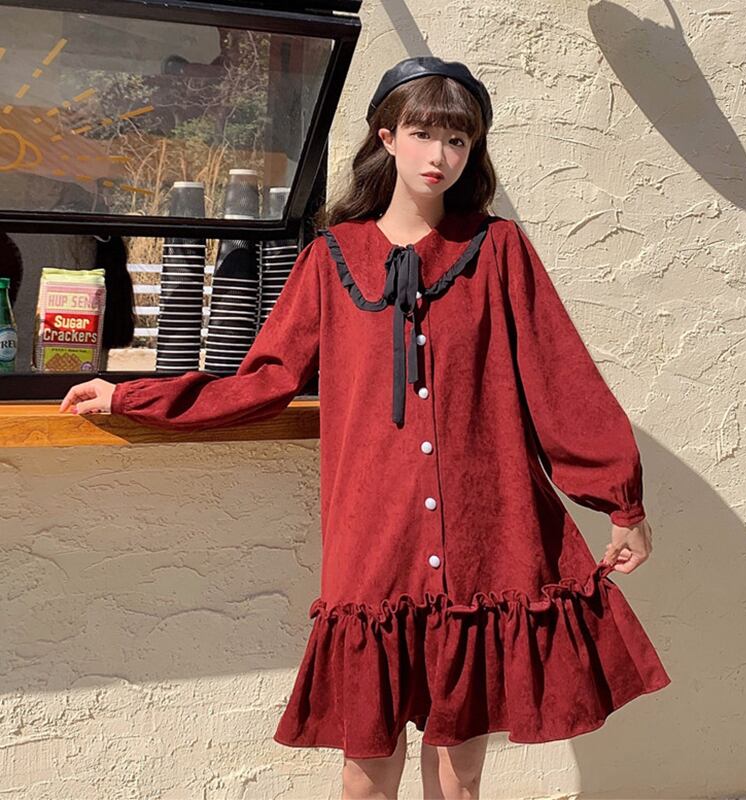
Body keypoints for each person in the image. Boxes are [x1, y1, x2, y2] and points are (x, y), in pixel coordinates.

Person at [59, 56, 671, 800]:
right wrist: (131, 397)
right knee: (365, 770)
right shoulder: (331, 259)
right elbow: (266, 379)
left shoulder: (497, 250)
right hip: (375, 542)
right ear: (387, 137)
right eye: (423, 134)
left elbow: (561, 381)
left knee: (459, 771)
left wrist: (621, 503)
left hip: (485, 538)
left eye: (458, 140)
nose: (440, 155)